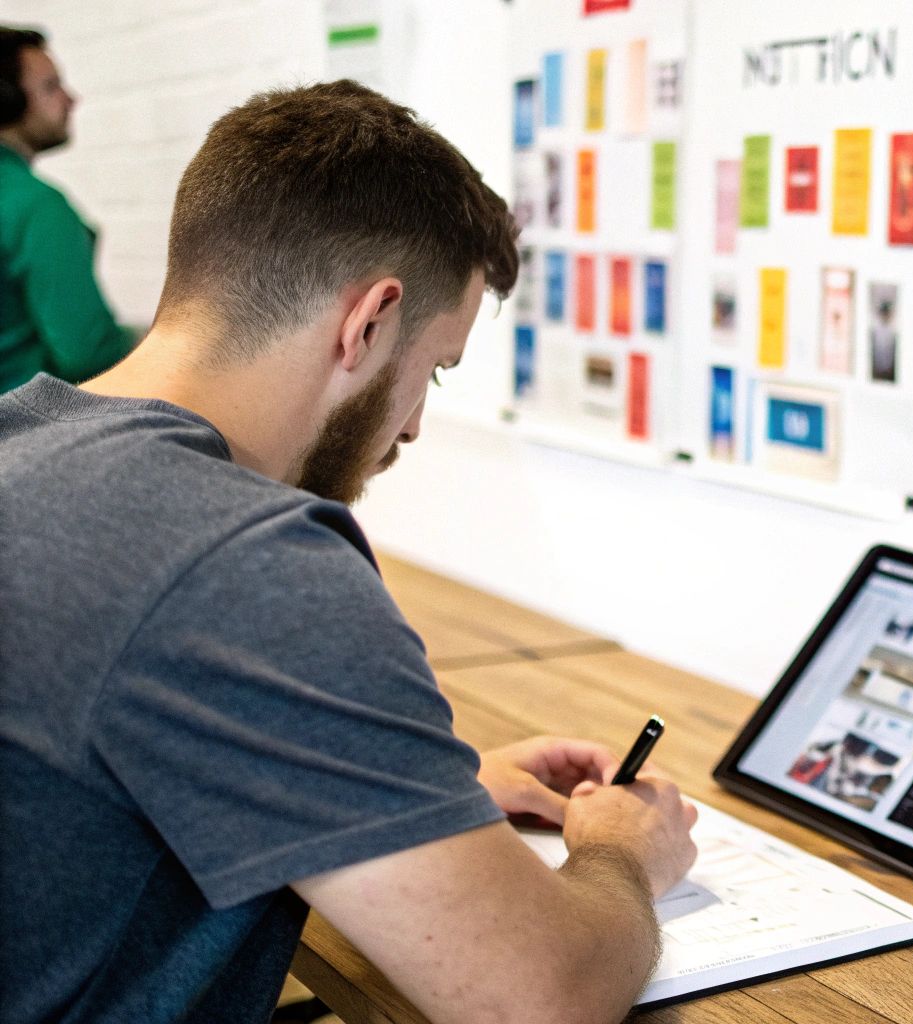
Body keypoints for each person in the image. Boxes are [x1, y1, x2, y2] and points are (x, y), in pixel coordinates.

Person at [0, 81, 697, 1023]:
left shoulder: (23, 441)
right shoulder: (242, 555)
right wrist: (622, 852)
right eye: (435, 370)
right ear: (369, 323)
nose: (411, 427)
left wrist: (398, 800)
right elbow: (541, 999)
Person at [0, 26, 136, 391]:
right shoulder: (35, 206)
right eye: (51, 86)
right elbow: (87, 354)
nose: (70, 99)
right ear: (8, 99)